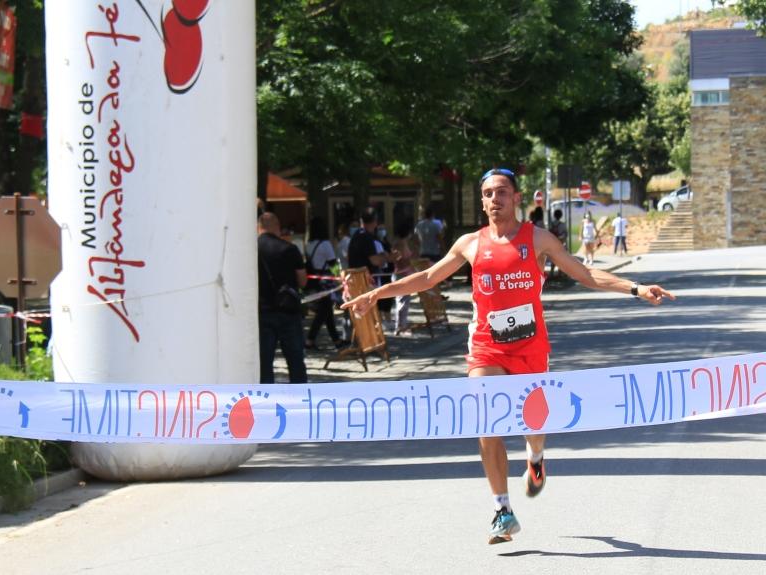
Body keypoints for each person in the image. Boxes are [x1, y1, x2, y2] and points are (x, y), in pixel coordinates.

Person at [342, 168, 674, 544]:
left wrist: (636, 288)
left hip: (530, 346)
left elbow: (584, 274)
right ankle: (502, 509)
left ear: (516, 198)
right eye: (487, 194)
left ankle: (535, 458)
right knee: (486, 420)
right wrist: (376, 294)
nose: (494, 199)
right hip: (486, 344)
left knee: (533, 426)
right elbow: (429, 277)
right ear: (482, 202)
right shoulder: (470, 243)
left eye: (501, 192)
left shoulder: (539, 239)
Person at [257, 212, 308, 384]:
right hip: (288, 311)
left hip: (262, 311)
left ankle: (266, 400)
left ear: (259, 227)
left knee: (264, 363)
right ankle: (301, 398)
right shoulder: (289, 248)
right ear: (277, 227)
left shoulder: (251, 250)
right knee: (295, 361)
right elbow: (302, 280)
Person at [305, 218, 344, 350]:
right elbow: (332, 263)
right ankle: (310, 339)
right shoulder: (325, 244)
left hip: (314, 280)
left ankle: (336, 340)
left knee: (326, 311)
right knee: (324, 311)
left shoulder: (309, 244)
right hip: (325, 281)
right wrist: (339, 276)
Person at [390, 221, 416, 335]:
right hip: (402, 274)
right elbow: (402, 259)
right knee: (402, 302)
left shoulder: (400, 243)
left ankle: (400, 325)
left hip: (403, 274)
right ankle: (401, 326)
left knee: (402, 301)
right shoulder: (401, 244)